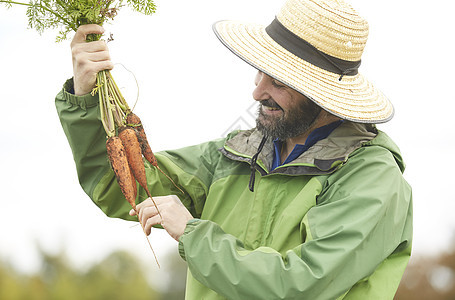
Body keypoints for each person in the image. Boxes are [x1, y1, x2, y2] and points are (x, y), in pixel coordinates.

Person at [56, 0, 413, 298]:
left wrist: (194, 234)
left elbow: (302, 285)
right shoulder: (235, 154)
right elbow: (122, 187)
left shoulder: (370, 176)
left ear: (322, 92)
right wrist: (86, 98)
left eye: (277, 81)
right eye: (260, 73)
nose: (257, 93)